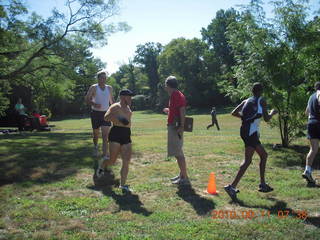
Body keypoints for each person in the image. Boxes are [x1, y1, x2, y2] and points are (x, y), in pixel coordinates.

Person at [224, 82, 278, 200]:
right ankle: (231, 186)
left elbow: (233, 113)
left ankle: (262, 184)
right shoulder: (262, 100)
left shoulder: (246, 101)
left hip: (245, 130)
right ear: (261, 91)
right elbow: (267, 119)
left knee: (262, 156)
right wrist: (272, 113)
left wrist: (245, 118)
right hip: (251, 132)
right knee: (250, 160)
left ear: (252, 91)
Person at [96, 89, 134, 193]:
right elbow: (106, 117)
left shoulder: (128, 107)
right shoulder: (115, 106)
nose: (130, 98)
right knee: (112, 161)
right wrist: (118, 117)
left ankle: (123, 185)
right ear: (122, 97)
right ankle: (102, 165)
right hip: (116, 133)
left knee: (126, 160)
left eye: (130, 96)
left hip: (126, 134)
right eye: (128, 96)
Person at [163, 76, 190, 185]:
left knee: (178, 152)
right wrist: (169, 111)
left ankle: (184, 177)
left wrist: (182, 126)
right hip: (175, 125)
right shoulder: (176, 95)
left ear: (168, 86)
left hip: (176, 127)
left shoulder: (175, 94)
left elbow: (182, 110)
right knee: (178, 151)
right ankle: (181, 174)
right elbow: (176, 110)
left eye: (166, 86)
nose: (165, 88)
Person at [85, 71, 114, 161]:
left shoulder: (109, 88)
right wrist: (94, 104)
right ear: (98, 78)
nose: (103, 79)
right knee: (96, 134)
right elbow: (87, 99)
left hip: (106, 114)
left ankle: (105, 155)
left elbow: (111, 101)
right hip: (96, 114)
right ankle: (95, 146)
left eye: (105, 78)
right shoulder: (94, 87)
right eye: (101, 78)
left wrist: (115, 110)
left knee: (105, 136)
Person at [302, 82, 320, 185]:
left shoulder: (311, 97)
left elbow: (306, 112)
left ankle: (307, 171)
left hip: (311, 123)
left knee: (313, 149)